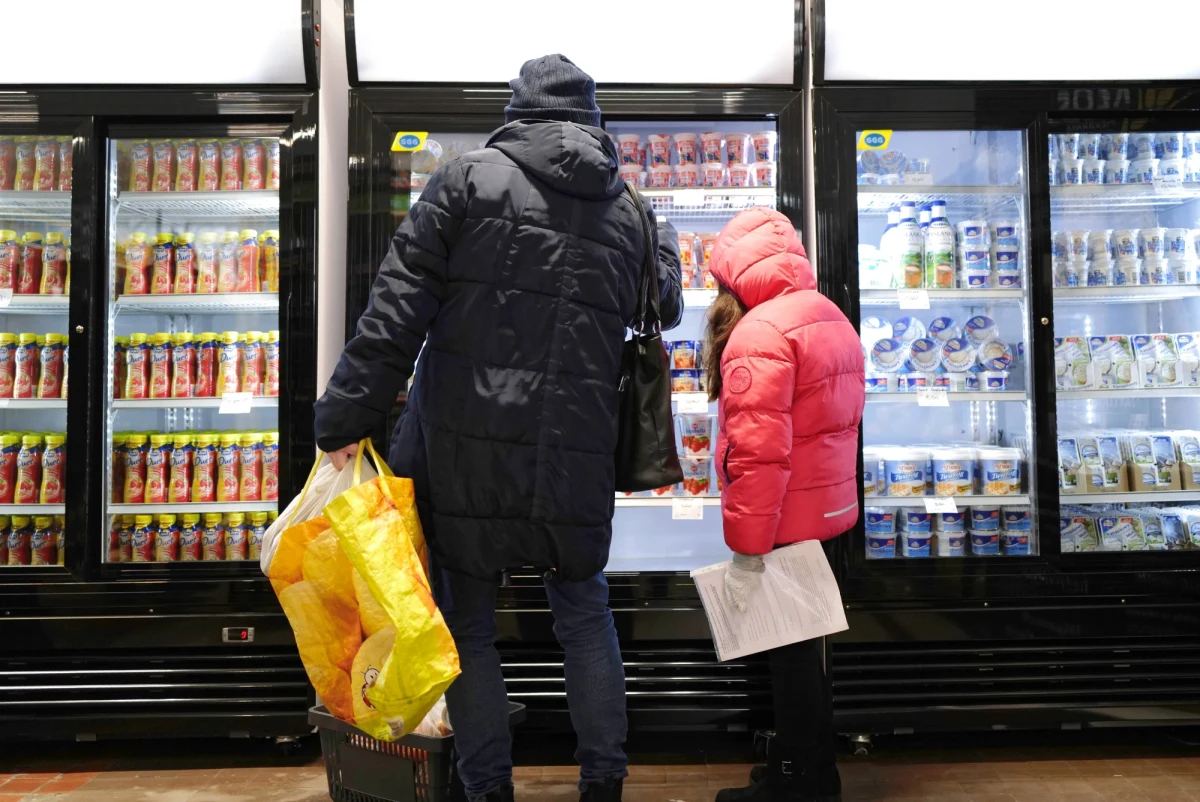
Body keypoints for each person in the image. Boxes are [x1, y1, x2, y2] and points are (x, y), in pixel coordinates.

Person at [313, 54, 683, 802]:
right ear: (593, 120)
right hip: (574, 451)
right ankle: (603, 785)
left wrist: (343, 420)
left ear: (518, 112)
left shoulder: (464, 181)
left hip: (461, 450)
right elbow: (664, 305)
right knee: (585, 618)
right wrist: (664, 234)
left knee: (468, 629)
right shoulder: (629, 209)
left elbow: (394, 315)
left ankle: (489, 789)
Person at [702, 208, 864, 802]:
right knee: (810, 656)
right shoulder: (827, 315)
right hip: (825, 513)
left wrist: (747, 551)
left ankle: (799, 784)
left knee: (790, 659)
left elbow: (759, 456)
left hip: (783, 520)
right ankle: (810, 769)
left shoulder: (759, 334)